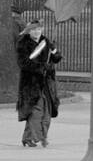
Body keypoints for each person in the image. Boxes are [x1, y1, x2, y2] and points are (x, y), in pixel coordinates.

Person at [16, 19, 61, 148]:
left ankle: (29, 137)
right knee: (36, 112)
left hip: (46, 83)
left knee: (47, 113)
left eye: (39, 29)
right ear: (29, 31)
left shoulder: (46, 42)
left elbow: (56, 57)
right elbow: (23, 63)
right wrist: (41, 67)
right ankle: (39, 138)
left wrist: (55, 54)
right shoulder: (23, 44)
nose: (37, 32)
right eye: (34, 29)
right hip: (31, 83)